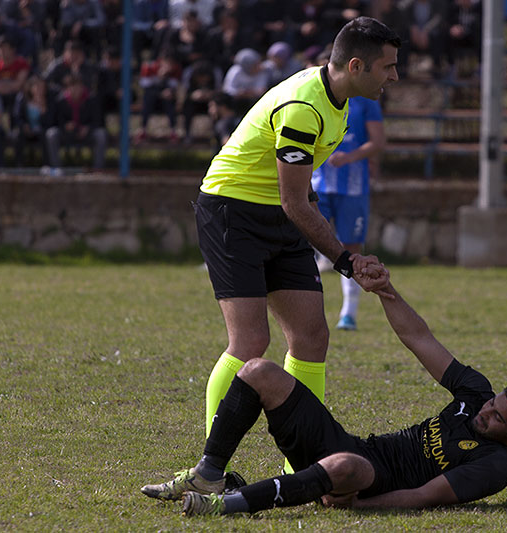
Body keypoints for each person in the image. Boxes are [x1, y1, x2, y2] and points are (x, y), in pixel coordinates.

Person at [140, 275, 507, 516]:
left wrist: (357, 505)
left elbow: (422, 498)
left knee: (344, 465)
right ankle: (210, 473)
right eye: (492, 404)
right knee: (259, 370)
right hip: (352, 448)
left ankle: (225, 505)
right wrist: (385, 290)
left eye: (498, 419)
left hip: (367, 481)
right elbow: (418, 337)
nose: (486, 413)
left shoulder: (496, 465)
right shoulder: (474, 392)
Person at [191, 17, 400, 481]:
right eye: (387, 67)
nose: (394, 76)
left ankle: (304, 465)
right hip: (233, 211)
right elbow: (294, 201)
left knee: (310, 338)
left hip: (282, 214)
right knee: (250, 343)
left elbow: (300, 197)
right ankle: (213, 468)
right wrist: (346, 260)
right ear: (355, 64)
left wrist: (340, 250)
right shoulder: (305, 106)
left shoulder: (340, 99)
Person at [311, 94, 385, 331]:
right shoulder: (312, 97)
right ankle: (308, 311)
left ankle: (348, 313)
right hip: (317, 185)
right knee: (305, 244)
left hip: (352, 187)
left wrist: (350, 157)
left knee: (351, 248)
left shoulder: (365, 101)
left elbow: (378, 141)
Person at [45, 74, 107, 172]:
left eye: (78, 87)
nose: (75, 90)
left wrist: (88, 128)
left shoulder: (92, 100)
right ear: (67, 88)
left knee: (100, 134)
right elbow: (54, 121)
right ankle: (57, 169)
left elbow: (99, 121)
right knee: (51, 134)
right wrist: (65, 126)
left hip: (87, 134)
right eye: (72, 87)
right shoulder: (60, 101)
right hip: (67, 134)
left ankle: (98, 169)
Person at [10, 74, 54, 167]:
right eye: (37, 87)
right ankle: (19, 165)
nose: (40, 90)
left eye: (42, 87)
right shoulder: (22, 99)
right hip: (26, 131)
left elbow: (50, 122)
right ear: (31, 88)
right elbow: (17, 117)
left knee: (46, 135)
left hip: (41, 131)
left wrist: (43, 111)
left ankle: (47, 166)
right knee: (17, 135)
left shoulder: (49, 100)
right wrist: (24, 125)